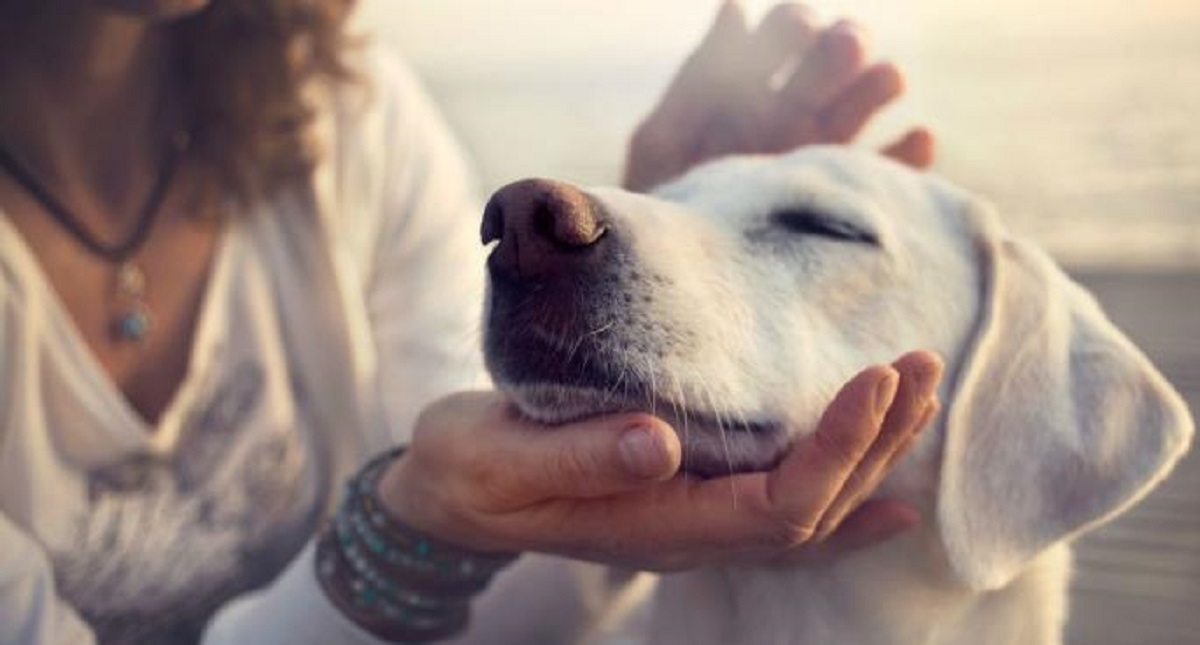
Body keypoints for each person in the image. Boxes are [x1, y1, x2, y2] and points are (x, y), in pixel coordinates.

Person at [0, 0, 943, 643]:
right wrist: (409, 523)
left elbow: (497, 605)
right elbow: (444, 527)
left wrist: (652, 278)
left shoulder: (340, 115)